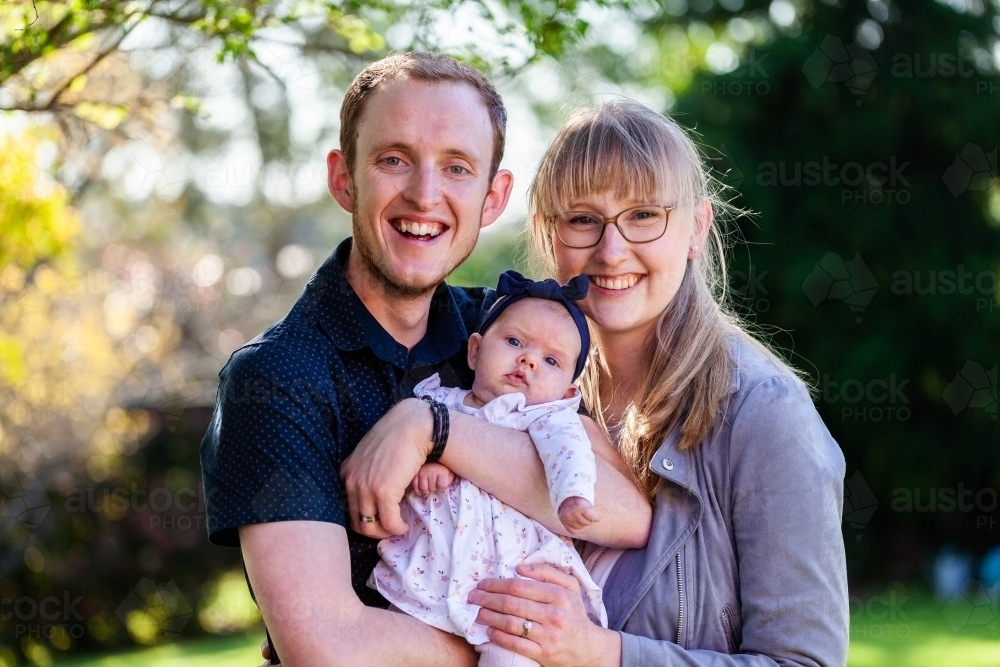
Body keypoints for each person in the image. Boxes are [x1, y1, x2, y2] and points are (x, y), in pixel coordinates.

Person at [344, 100, 849, 666]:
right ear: (549, 234)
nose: (611, 251)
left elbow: (805, 662)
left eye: (643, 216)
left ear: (696, 228)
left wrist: (598, 652)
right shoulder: (508, 374)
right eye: (582, 219)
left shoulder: (764, 413)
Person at [200, 53, 651, 667]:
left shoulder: (511, 333)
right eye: (393, 159)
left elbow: (622, 515)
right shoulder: (277, 379)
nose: (424, 194)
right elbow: (327, 647)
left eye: (456, 167)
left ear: (494, 198)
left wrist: (432, 429)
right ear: (344, 179)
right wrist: (517, 646)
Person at [371, 271, 607, 667]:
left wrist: (572, 495)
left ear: (567, 393)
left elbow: (569, 452)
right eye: (514, 342)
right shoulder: (436, 402)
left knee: (512, 656)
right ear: (475, 351)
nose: (528, 359)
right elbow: (395, 457)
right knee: (395, 643)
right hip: (430, 577)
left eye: (550, 360)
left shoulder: (546, 420)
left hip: (512, 586)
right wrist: (428, 465)